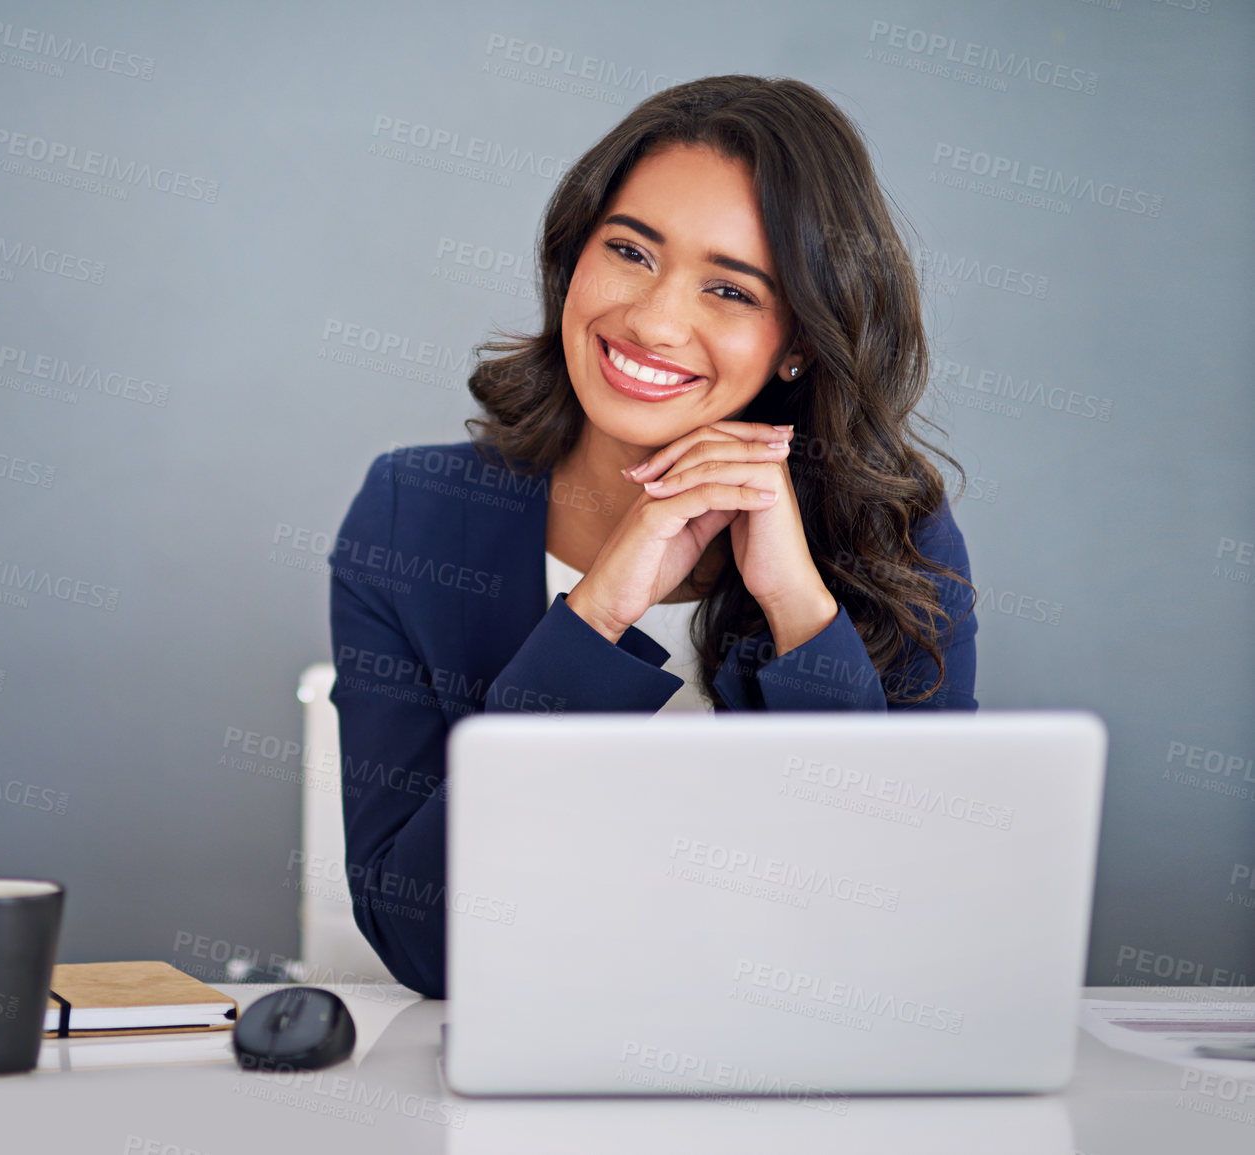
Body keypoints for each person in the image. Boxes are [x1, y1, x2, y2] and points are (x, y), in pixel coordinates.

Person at [327, 76, 978, 999]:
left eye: (729, 288)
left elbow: (904, 922)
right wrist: (594, 618)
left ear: (799, 340)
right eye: (630, 251)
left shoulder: (892, 531)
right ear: (572, 258)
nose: (654, 319)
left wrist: (800, 611)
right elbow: (426, 942)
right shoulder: (412, 511)